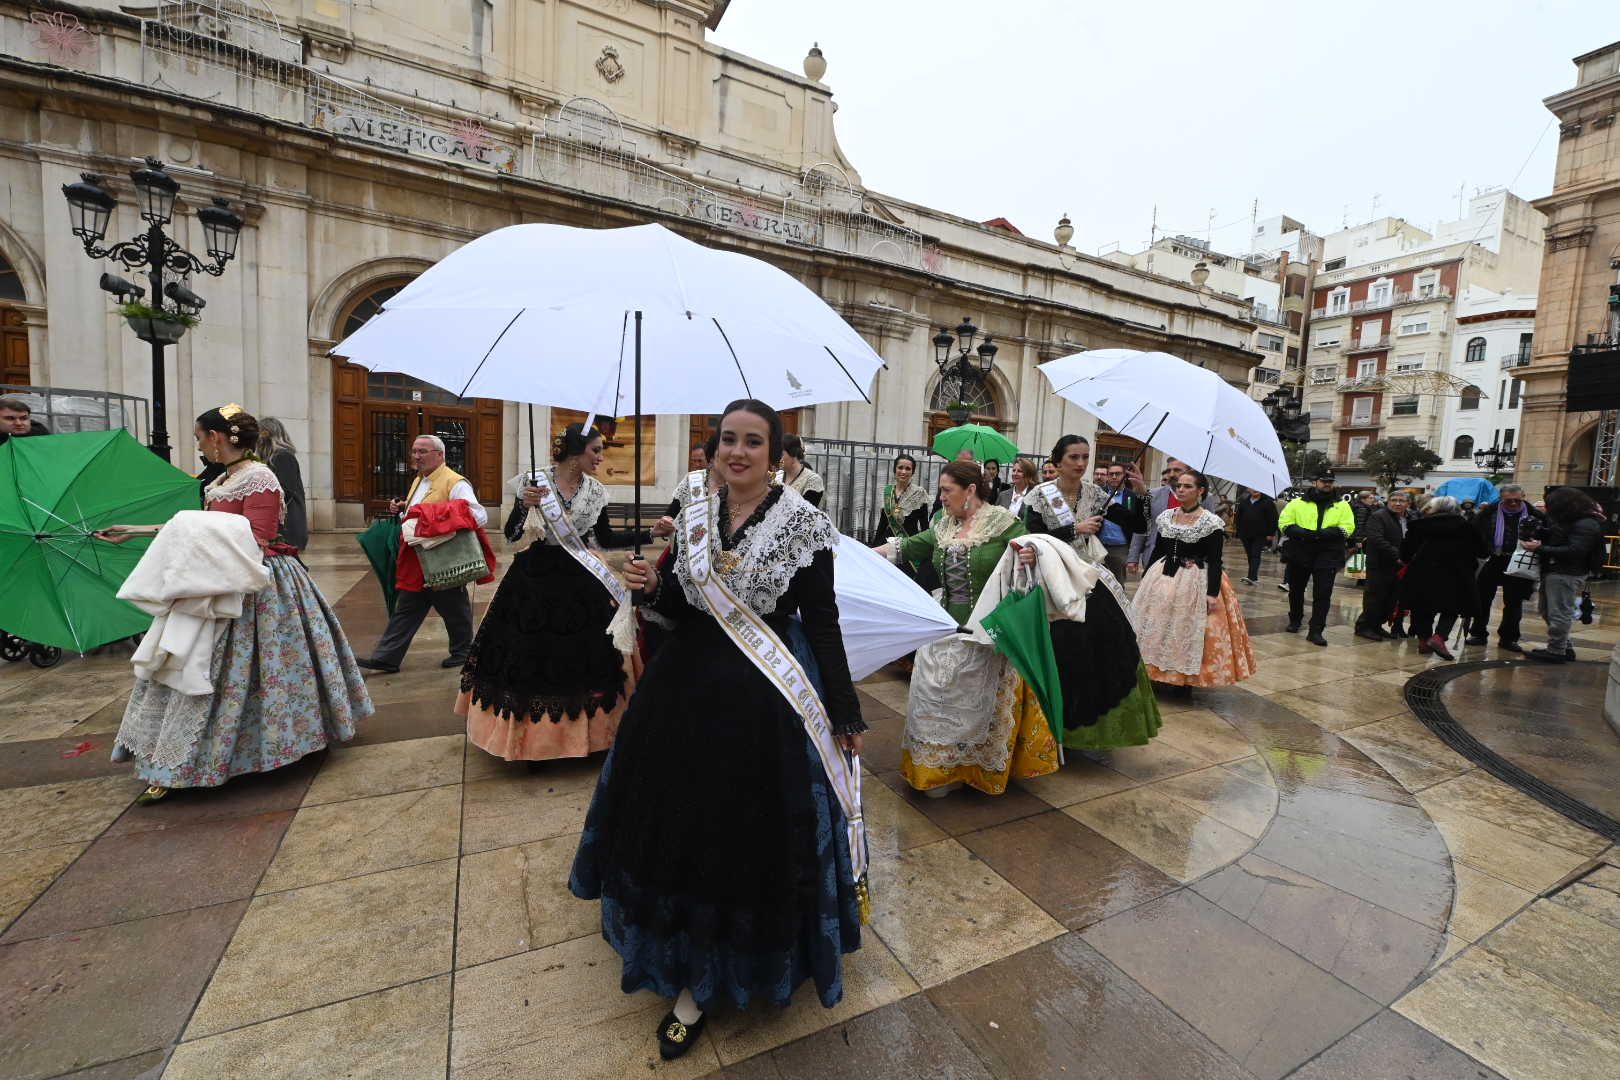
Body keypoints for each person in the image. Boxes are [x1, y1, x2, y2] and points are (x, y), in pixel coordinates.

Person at [569, 399, 865, 1057]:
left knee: (740, 835)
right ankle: (683, 966)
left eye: (752, 442)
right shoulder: (694, 510)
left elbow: (821, 622)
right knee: (680, 825)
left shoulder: (805, 525)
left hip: (764, 707)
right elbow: (680, 604)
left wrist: (844, 711)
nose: (737, 452)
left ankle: (705, 983)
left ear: (776, 453)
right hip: (685, 691)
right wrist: (649, 587)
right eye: (728, 439)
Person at [95, 405, 371, 802]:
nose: (200, 447)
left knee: (248, 667)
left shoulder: (259, 477)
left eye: (199, 439)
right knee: (199, 664)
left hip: (254, 584)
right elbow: (198, 527)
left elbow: (258, 537)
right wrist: (135, 532)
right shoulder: (225, 478)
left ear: (217, 438)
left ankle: (254, 748)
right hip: (218, 577)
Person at [459, 423, 649, 762]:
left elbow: (603, 539)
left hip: (581, 582)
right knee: (528, 654)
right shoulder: (534, 481)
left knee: (587, 655)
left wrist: (649, 533)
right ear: (576, 451)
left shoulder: (595, 491)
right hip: (534, 581)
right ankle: (530, 741)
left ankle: (587, 737)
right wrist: (522, 505)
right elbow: (512, 533)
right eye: (596, 450)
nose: (601, 458)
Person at [878, 462, 1058, 796]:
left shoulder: (1005, 524)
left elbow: (1036, 555)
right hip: (946, 626)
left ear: (970, 489)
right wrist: (856, 553)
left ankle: (973, 769)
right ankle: (937, 767)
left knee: (976, 707)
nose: (941, 497)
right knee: (933, 700)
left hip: (987, 634)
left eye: (947, 490)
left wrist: (1033, 556)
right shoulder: (943, 526)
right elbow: (906, 547)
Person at [1019, 436, 1162, 749]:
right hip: (1051, 578)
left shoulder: (1096, 494)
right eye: (1074, 457)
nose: (1081, 464)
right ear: (1057, 461)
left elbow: (1136, 524)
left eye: (1085, 457)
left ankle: (1092, 726)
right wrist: (1075, 529)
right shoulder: (1041, 495)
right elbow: (1030, 536)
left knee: (1110, 641)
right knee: (1061, 648)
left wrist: (1139, 493)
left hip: (1086, 576)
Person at [357, 435, 490, 674]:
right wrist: (402, 510)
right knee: (408, 607)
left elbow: (478, 516)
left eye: (423, 451)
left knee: (453, 606)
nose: (417, 456)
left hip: (443, 558)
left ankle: (463, 651)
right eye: (414, 451)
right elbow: (415, 516)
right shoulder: (420, 480)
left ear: (440, 455)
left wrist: (433, 515)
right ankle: (387, 657)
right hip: (419, 558)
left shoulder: (455, 482)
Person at [1134, 468, 1255, 690]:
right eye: (1179, 485)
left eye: (1187, 486)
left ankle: (1183, 679)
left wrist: (1212, 593)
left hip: (1195, 579)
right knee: (1157, 625)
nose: (1181, 489)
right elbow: (1158, 551)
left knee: (1187, 628)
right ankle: (1154, 671)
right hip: (1162, 575)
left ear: (1201, 491)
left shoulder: (1210, 522)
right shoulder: (1166, 517)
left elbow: (1216, 560)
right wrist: (1146, 577)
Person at [1399, 496, 1490, 661]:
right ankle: (1439, 637)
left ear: (1433, 509)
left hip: (1423, 573)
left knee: (1422, 607)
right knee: (1453, 607)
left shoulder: (1419, 526)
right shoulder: (1467, 527)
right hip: (1458, 574)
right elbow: (1483, 551)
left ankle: (1423, 641)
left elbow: (1405, 554)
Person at [1521, 487, 1605, 663]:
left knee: (1558, 612)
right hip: (1556, 570)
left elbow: (1576, 550)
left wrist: (1540, 548)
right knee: (1548, 610)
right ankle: (1563, 647)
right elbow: (1561, 537)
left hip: (1566, 572)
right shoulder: (1573, 520)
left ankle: (1556, 651)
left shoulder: (1585, 523)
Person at [1278, 468, 1354, 646]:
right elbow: (1284, 522)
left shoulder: (1342, 505)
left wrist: (1325, 533)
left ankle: (1316, 630)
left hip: (1328, 552)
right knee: (1296, 590)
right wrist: (1301, 532)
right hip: (1300, 550)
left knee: (1323, 593)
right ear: (1314, 482)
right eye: (1323, 480)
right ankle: (1295, 619)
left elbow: (1348, 527)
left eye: (1330, 481)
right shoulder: (1297, 503)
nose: (1327, 484)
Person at [1466, 484, 1543, 652]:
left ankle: (1509, 638)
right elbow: (1473, 535)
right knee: (1482, 599)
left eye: (1517, 500)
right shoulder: (1487, 514)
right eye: (1509, 501)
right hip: (1493, 559)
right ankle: (1478, 633)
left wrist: (1539, 543)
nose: (1514, 504)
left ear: (1523, 496)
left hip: (1520, 561)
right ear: (1501, 498)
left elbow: (1546, 534)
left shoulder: (1535, 514)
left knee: (1514, 602)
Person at [1127, 457, 1219, 576]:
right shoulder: (1152, 495)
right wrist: (1133, 557)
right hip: (1154, 559)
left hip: (1189, 564)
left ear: (1189, 472)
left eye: (1176, 470)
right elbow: (1142, 527)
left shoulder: (1206, 498)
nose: (1171, 474)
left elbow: (1210, 533)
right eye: (1169, 470)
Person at [1355, 490, 1411, 640]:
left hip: (1399, 566)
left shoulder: (1409, 518)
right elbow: (1376, 539)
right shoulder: (1379, 516)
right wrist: (1397, 555)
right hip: (1380, 563)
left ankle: (1377, 625)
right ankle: (1364, 626)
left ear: (1408, 503)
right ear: (1388, 502)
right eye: (1394, 500)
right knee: (1375, 597)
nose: (1397, 503)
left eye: (1401, 500)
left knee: (1390, 599)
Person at [255, 417, 309, 551]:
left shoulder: (283, 457)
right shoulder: (272, 458)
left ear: (268, 433)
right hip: (281, 524)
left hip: (288, 525)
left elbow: (284, 491)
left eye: (258, 433)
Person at [1095, 460, 1150, 581]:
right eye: (1111, 474)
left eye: (1118, 474)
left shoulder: (1132, 496)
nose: (1114, 477)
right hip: (1098, 545)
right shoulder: (1098, 493)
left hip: (1120, 548)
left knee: (1117, 582)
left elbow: (1142, 520)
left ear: (1125, 476)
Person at [1234, 487, 1280, 585]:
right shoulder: (1244, 502)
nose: (1255, 489)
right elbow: (1238, 517)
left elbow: (1273, 519)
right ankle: (1251, 575)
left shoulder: (1268, 502)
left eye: (1258, 487)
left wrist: (1271, 533)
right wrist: (1239, 531)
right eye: (1252, 487)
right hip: (1245, 534)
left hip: (1260, 535)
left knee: (1255, 554)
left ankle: (1252, 577)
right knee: (1250, 554)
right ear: (1248, 489)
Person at [778, 433, 825, 507]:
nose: (776, 458)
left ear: (793, 454)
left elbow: (806, 514)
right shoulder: (777, 476)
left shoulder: (812, 480)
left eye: (780, 454)